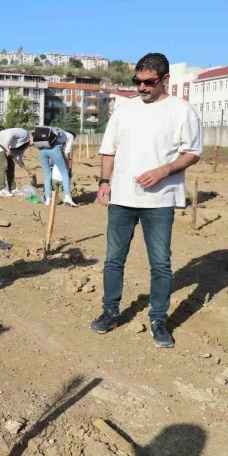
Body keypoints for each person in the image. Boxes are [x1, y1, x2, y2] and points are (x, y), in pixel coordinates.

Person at [90, 53, 203, 349]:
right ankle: (110, 311)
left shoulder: (182, 111)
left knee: (160, 264)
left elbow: (193, 152)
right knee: (114, 260)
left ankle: (158, 319)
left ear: (165, 80)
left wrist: (163, 171)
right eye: (137, 81)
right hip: (122, 199)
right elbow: (109, 150)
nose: (142, 87)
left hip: (160, 200)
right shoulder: (124, 110)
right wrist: (104, 183)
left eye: (149, 82)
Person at [34, 126, 77, 207]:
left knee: (47, 175)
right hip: (53, 149)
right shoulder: (71, 136)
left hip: (41, 149)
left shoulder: (57, 132)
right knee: (64, 173)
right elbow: (66, 152)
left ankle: (48, 199)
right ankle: (68, 197)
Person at [0, 127, 32, 197]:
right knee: (3, 165)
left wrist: (26, 170)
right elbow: (9, 133)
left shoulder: (25, 145)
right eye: (34, 141)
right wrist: (6, 147)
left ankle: (12, 188)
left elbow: (18, 158)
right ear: (31, 136)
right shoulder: (24, 133)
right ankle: (2, 190)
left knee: (11, 166)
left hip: (7, 148)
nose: (33, 144)